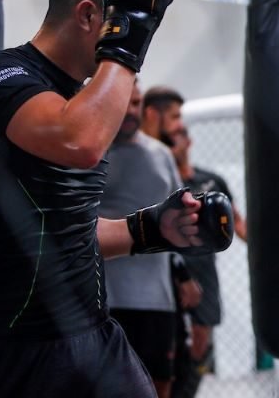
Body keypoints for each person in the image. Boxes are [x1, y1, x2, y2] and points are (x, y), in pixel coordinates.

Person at [0, 0, 232, 398]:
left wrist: (151, 230)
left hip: (92, 337)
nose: (140, 48)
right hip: (8, 350)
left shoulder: (81, 100)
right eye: (126, 24)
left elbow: (64, 228)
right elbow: (79, 143)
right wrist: (129, 40)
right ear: (90, 16)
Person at [139, 86, 247, 398]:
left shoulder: (210, 180)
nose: (180, 129)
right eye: (174, 119)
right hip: (165, 271)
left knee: (201, 343)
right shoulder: (153, 170)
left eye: (182, 125)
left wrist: (272, 244)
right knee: (166, 348)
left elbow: (237, 223)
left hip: (203, 269)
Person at [98, 82, 200, 398]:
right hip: (105, 301)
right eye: (124, 103)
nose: (131, 111)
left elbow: (175, 219)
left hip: (157, 297)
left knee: (160, 385)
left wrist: (182, 274)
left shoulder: (160, 156)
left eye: (136, 103)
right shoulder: (89, 152)